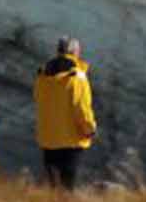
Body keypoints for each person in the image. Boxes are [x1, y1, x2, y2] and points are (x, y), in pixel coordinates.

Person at [32, 36, 97, 189]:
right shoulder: (77, 77)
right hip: (71, 140)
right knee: (68, 186)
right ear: (75, 52)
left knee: (53, 187)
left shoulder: (43, 76)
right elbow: (81, 107)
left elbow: (38, 100)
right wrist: (89, 128)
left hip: (48, 139)